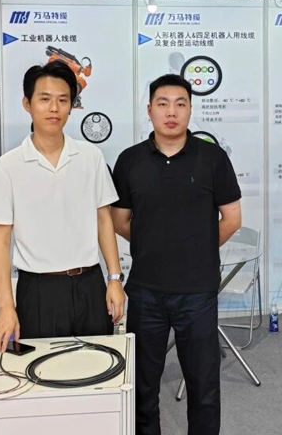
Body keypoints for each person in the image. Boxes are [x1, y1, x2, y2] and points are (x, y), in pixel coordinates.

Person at [111, 74, 242, 435]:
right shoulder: (130, 160)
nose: (172, 112)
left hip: (197, 292)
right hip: (145, 292)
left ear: (190, 110)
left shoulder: (212, 158)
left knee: (204, 387)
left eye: (180, 104)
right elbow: (120, 220)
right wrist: (155, 243)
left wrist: (196, 247)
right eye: (163, 103)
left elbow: (232, 219)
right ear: (149, 109)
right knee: (142, 387)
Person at [0, 60, 125, 352]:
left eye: (63, 100)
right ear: (27, 104)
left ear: (72, 106)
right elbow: (0, 243)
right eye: (45, 99)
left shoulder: (90, 157)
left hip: (90, 285)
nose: (54, 108)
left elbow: (104, 220)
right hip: (37, 291)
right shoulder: (7, 167)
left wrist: (114, 278)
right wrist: (6, 307)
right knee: (39, 371)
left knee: (97, 365)